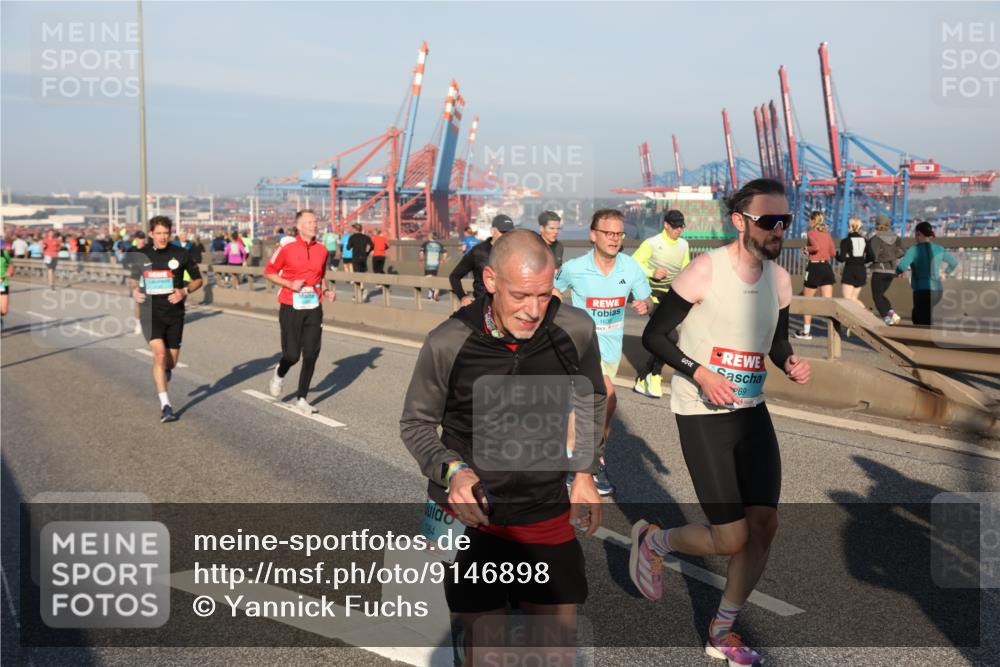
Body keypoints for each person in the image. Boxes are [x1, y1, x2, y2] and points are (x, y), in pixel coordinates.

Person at [400, 229, 606, 665]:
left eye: (545, 295)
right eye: (521, 296)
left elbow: (591, 398)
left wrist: (584, 472)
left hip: (544, 508)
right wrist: (452, 471)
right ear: (491, 280)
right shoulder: (447, 341)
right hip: (471, 516)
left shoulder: (575, 329)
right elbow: (416, 424)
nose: (533, 311)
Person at [632, 178, 810, 667]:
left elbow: (774, 344)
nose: (778, 230)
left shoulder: (778, 280)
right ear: (739, 221)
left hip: (751, 411)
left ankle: (722, 629)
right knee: (730, 536)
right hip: (702, 411)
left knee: (765, 524)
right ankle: (655, 541)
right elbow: (655, 334)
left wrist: (790, 362)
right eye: (769, 221)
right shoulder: (704, 271)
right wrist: (699, 372)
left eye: (785, 222)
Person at [553, 208, 652, 495]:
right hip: (581, 347)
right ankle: (583, 461)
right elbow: (555, 291)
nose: (614, 238)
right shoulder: (574, 267)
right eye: (608, 233)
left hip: (611, 350)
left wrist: (647, 305)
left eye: (619, 233)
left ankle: (588, 457)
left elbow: (646, 298)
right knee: (604, 397)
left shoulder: (630, 268)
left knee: (598, 407)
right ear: (593, 235)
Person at [128, 216, 203, 423]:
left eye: (166, 233)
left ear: (170, 234)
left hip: (175, 315)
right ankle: (166, 406)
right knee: (159, 356)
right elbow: (133, 280)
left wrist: (184, 290)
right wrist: (134, 291)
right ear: (151, 234)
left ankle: (166, 371)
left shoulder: (180, 254)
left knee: (171, 362)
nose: (162, 237)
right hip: (150, 313)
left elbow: (198, 280)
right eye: (158, 233)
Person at [264, 210, 336, 415]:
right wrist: (289, 283)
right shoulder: (286, 247)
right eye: (310, 222)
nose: (315, 225)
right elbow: (269, 272)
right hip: (290, 305)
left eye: (315, 221)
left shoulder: (322, 250)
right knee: (292, 354)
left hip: (313, 306)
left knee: (311, 353)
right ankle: (279, 374)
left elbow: (321, 275)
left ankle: (302, 398)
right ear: (299, 226)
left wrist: (326, 290)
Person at [631, 209, 690, 399]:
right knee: (671, 336)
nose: (678, 230)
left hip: (672, 298)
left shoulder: (684, 245)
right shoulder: (652, 243)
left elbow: (686, 269)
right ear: (666, 224)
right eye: (675, 226)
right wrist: (651, 272)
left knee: (666, 336)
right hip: (652, 298)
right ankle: (655, 375)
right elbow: (634, 262)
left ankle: (643, 377)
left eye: (681, 226)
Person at [896, 221, 959, 326]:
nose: (915, 237)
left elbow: (902, 266)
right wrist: (945, 273)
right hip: (937, 291)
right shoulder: (939, 248)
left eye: (916, 234)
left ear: (919, 234)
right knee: (920, 315)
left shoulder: (914, 249)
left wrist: (896, 272)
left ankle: (926, 340)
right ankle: (923, 338)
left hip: (922, 290)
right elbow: (954, 262)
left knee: (921, 319)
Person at [449, 214, 514, 305]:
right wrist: (463, 297)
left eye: (509, 232)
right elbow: (454, 276)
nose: (506, 236)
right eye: (502, 232)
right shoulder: (478, 251)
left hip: (508, 306)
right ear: (492, 231)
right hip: (483, 306)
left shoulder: (516, 252)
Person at [794, 210, 836, 340]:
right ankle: (833, 333)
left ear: (812, 221)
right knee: (828, 304)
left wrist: (806, 249)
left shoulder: (811, 233)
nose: (808, 222)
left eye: (809, 220)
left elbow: (815, 247)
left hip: (814, 267)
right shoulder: (827, 234)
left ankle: (806, 332)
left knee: (808, 302)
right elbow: (833, 252)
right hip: (826, 267)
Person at [868, 215, 904, 325]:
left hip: (879, 270)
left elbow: (873, 255)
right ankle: (892, 313)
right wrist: (891, 257)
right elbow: (902, 251)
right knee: (881, 295)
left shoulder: (875, 239)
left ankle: (886, 317)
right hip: (891, 271)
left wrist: (880, 258)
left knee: (877, 296)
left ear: (877, 225)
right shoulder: (896, 238)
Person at [837, 217, 869, 305]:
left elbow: (841, 259)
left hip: (850, 270)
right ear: (859, 227)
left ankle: (867, 315)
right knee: (853, 298)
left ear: (849, 226)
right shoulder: (865, 241)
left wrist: (836, 254)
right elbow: (872, 256)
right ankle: (866, 315)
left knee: (847, 299)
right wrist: (862, 261)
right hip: (861, 270)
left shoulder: (845, 241)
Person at [123, 231, 148, 335]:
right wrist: (132, 266)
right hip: (135, 278)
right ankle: (138, 324)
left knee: (150, 301)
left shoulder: (149, 249)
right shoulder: (131, 250)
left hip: (148, 278)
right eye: (139, 238)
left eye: (143, 238)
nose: (141, 240)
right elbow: (125, 263)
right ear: (136, 239)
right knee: (138, 302)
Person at [419, 233, 447, 301]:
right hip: (436, 265)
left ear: (429, 236)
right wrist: (443, 260)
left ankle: (436, 289)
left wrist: (421, 260)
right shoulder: (439, 244)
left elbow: (421, 253)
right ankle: (430, 296)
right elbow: (445, 253)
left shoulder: (425, 244)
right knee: (433, 278)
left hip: (428, 265)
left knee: (427, 279)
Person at [0, 240, 13, 331]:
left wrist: (10, 271)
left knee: (4, 310)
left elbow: (11, 264)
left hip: (2, 283)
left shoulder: (5, 254)